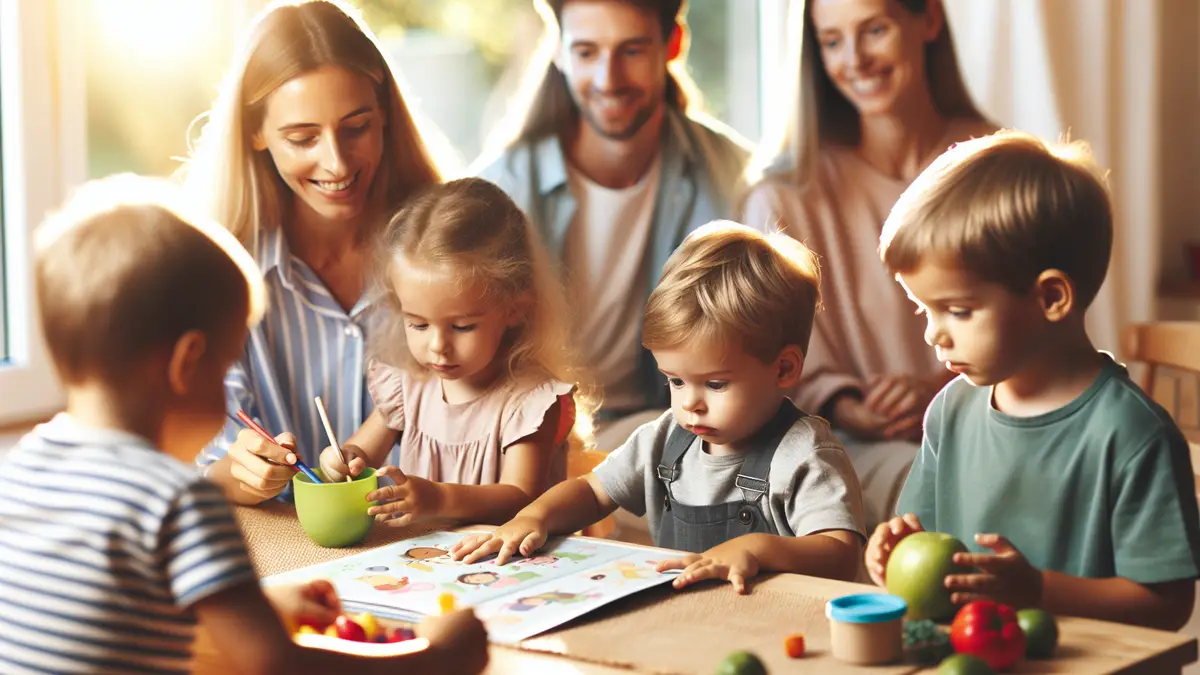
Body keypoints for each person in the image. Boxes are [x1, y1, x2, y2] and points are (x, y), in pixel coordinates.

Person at [0, 175, 488, 674]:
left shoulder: (19, 471)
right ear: (188, 363)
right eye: (227, 363)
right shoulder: (178, 499)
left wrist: (261, 603)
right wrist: (435, 659)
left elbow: (110, 606)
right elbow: (274, 664)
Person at [865, 131, 1200, 631]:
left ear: (1051, 298)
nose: (935, 333)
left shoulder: (1132, 435)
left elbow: (1169, 607)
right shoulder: (950, 412)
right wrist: (887, 551)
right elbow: (923, 546)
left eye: (958, 310)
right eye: (923, 309)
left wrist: (1038, 591)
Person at [451, 223, 866, 593]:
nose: (690, 404)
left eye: (716, 384)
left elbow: (842, 553)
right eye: (675, 381)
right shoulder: (668, 438)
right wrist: (536, 516)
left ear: (785, 368)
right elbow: (593, 491)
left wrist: (759, 548)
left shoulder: (805, 455)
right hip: (684, 616)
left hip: (774, 624)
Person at [181, 0, 449, 505]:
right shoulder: (213, 276)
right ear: (255, 133)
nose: (336, 162)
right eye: (302, 137)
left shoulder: (448, 246)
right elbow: (203, 464)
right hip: (285, 548)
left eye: (356, 128)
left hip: (439, 542)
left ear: (386, 117)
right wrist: (245, 472)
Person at [742, 0, 997, 528]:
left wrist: (938, 390)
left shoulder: (999, 166)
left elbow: (1035, 323)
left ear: (927, 19)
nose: (854, 59)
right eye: (832, 41)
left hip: (987, 424)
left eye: (874, 30)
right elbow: (764, 359)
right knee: (940, 481)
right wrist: (848, 404)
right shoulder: (781, 198)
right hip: (844, 443)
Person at [474, 0, 751, 445]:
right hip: (534, 439)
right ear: (559, 51)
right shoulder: (498, 190)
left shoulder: (737, 177)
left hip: (680, 429)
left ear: (672, 44)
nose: (609, 79)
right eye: (586, 52)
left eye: (632, 50)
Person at [318, 178, 595, 526]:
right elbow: (360, 454)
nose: (438, 346)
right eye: (418, 325)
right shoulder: (407, 386)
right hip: (424, 566)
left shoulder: (531, 403)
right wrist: (339, 459)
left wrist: (438, 498)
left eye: (462, 327)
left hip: (510, 567)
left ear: (515, 309)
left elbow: (522, 496)